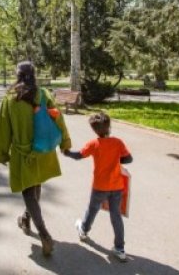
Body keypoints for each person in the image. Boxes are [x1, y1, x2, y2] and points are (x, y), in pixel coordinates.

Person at [0, 61, 72, 257]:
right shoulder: (44, 94)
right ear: (34, 75)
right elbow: (58, 119)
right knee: (35, 186)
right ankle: (26, 219)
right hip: (43, 151)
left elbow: (3, 129)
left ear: (18, 75)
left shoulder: (11, 98)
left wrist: (3, 153)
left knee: (29, 192)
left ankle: (44, 234)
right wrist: (65, 142)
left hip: (24, 154)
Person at [63, 112, 133, 262]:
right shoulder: (118, 142)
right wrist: (115, 159)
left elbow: (79, 156)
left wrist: (67, 152)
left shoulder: (93, 144)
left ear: (94, 130)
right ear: (109, 127)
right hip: (117, 186)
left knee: (92, 209)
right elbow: (129, 159)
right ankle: (120, 249)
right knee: (116, 216)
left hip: (100, 186)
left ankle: (84, 230)